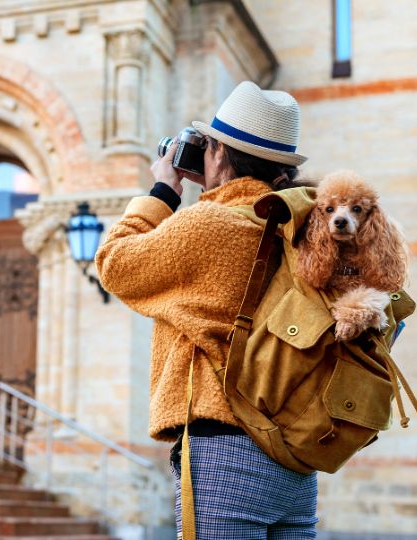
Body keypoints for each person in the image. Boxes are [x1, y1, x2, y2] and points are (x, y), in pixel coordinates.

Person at [95, 81, 318, 539]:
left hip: (226, 452)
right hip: (295, 458)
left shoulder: (209, 223)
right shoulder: (300, 226)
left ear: (218, 154)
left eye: (210, 147)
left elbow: (114, 263)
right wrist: (217, 187)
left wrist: (164, 186)